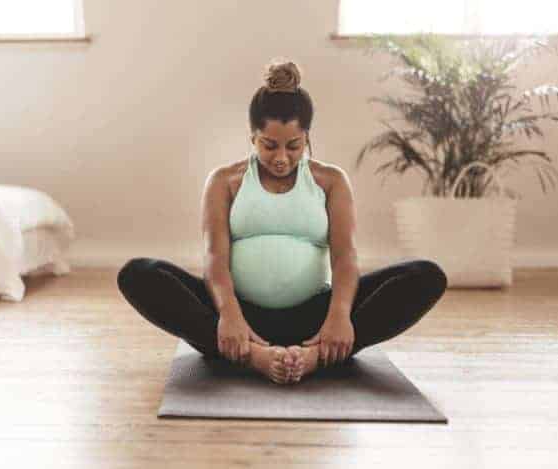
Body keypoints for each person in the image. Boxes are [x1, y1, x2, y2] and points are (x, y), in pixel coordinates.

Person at [117, 58, 447, 385]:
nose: (281, 157)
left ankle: (316, 355)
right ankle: (253, 355)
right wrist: (230, 315)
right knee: (139, 273)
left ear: (307, 137)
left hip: (314, 317)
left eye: (294, 146)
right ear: (252, 137)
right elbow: (215, 258)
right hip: (238, 316)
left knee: (426, 276)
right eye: (269, 145)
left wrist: (339, 316)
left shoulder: (330, 180)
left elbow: (345, 256)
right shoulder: (224, 181)